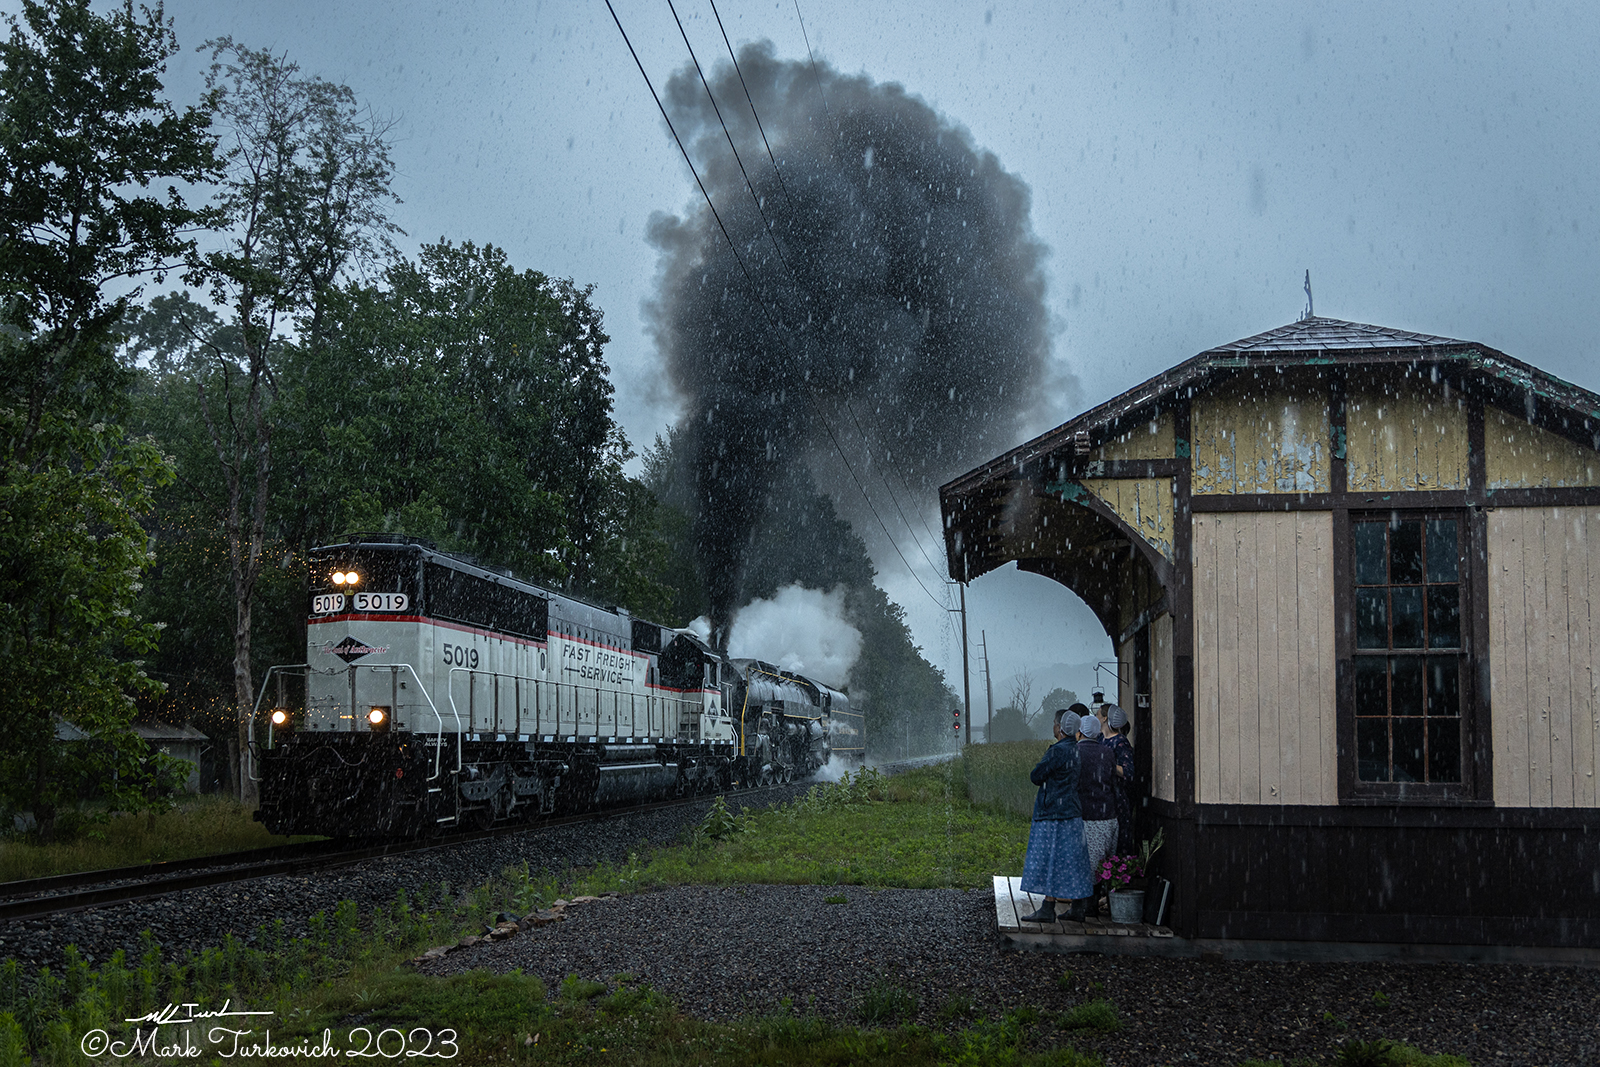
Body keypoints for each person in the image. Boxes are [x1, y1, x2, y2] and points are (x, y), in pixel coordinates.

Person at [1017, 708, 1093, 924]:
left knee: (1051, 860)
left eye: (1054, 723)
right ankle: (1078, 907)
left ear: (1060, 728)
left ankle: (1047, 907)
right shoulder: (1076, 749)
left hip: (1053, 814)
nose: (1053, 726)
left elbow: (1036, 776)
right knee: (1073, 860)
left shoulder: (1057, 751)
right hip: (1072, 812)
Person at [1076, 711, 1118, 916]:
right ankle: (1099, 900)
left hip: (1086, 814)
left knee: (1085, 864)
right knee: (1103, 863)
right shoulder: (1108, 752)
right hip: (1108, 813)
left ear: (1080, 732)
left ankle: (1087, 907)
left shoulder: (1075, 752)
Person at [1101, 704, 1137, 854]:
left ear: (1105, 718)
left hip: (1116, 798)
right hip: (1103, 795)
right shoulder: (1099, 739)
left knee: (1119, 839)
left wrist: (1109, 765)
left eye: (1098, 715)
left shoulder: (1120, 742)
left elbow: (1128, 772)